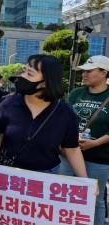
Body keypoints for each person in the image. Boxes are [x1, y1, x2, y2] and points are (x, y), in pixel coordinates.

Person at [0, 54, 87, 177]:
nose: (22, 77)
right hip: (10, 172)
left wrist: (86, 182)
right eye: (24, 71)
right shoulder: (9, 103)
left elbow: (72, 149)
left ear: (46, 82)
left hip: (46, 177)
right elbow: (0, 133)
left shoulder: (64, 112)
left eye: (29, 74)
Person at [61, 55, 109, 225]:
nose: (84, 74)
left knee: (95, 199)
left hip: (98, 159)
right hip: (68, 155)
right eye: (84, 71)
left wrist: (95, 143)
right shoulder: (76, 93)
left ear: (104, 72)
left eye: (89, 71)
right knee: (62, 194)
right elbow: (64, 119)